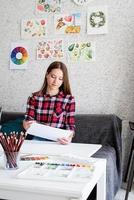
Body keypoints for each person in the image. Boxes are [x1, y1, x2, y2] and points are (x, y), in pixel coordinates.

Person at [23, 61, 75, 145]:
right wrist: (26, 124)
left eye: (60, 78)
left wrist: (69, 137)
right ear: (47, 75)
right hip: (37, 139)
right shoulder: (34, 97)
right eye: (53, 76)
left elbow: (70, 125)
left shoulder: (68, 99)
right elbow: (29, 120)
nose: (55, 81)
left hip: (59, 141)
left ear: (63, 80)